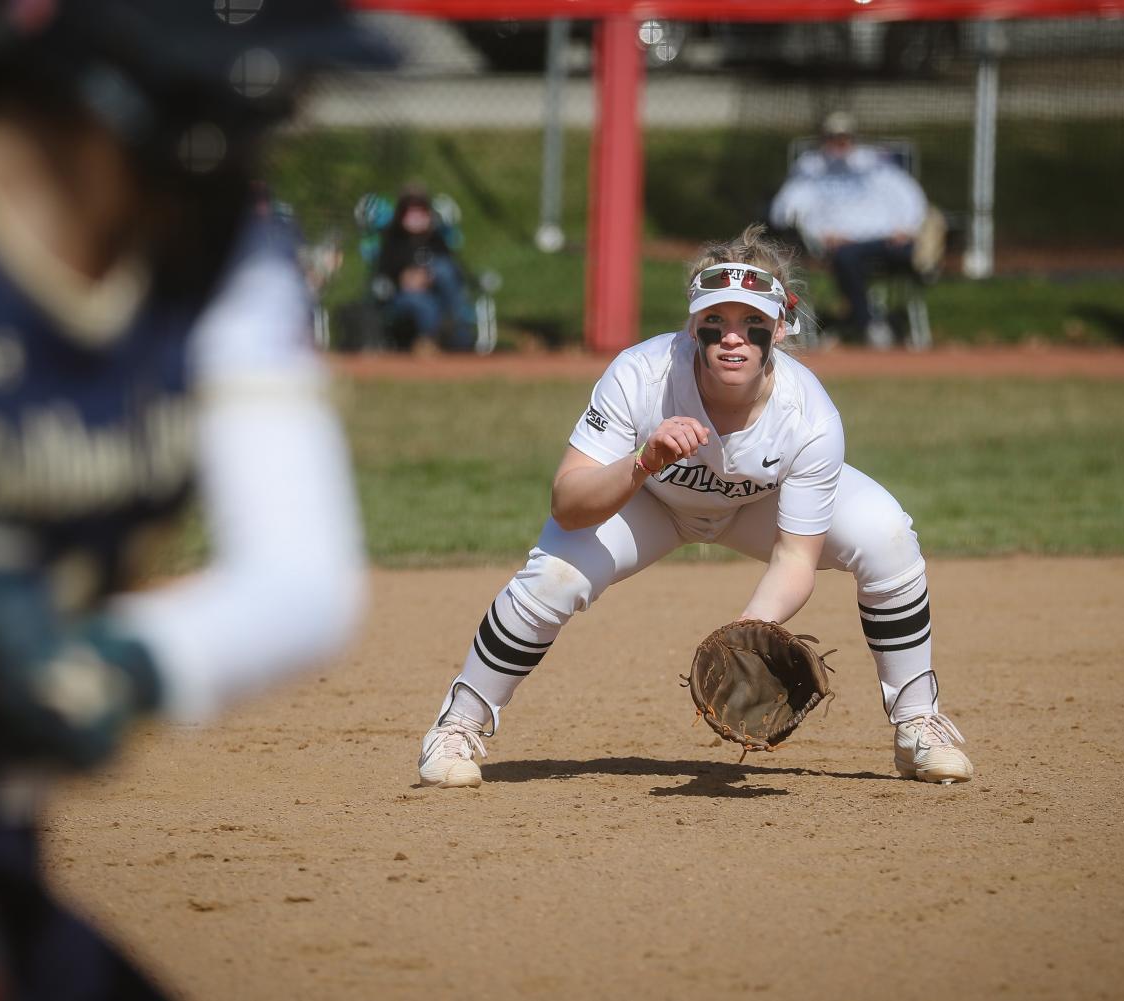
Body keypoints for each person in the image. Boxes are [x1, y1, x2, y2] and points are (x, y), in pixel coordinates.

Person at [0, 2, 390, 998]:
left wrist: (128, 662)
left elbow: (302, 582)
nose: (270, 132)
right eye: (249, 100)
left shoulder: (219, 254)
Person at [417, 223, 973, 791]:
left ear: (780, 328)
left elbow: (795, 558)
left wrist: (746, 633)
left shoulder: (809, 415)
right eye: (716, 323)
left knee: (887, 535)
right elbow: (568, 505)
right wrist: (641, 462)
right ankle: (457, 726)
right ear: (692, 327)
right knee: (555, 575)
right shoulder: (641, 375)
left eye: (752, 323)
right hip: (651, 500)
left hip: (760, 504)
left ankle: (917, 725)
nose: (733, 338)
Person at [769, 111, 934, 349]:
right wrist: (817, 236)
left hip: (887, 241)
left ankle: (885, 318)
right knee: (846, 258)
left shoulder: (875, 164)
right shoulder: (811, 170)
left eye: (844, 137)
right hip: (844, 247)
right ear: (823, 138)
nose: (839, 143)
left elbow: (911, 197)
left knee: (910, 254)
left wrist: (907, 228)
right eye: (833, 137)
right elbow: (786, 211)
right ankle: (868, 323)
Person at [372, 186, 476, 353]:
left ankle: (460, 339)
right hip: (404, 295)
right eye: (410, 212)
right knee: (424, 305)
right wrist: (405, 278)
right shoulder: (393, 241)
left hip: (438, 293)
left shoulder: (437, 240)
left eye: (421, 212)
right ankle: (430, 342)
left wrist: (429, 276)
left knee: (445, 272)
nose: (416, 217)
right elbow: (384, 273)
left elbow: (455, 271)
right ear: (401, 215)